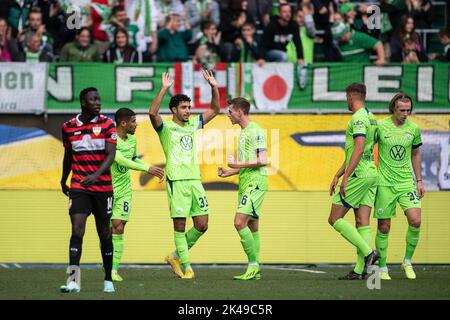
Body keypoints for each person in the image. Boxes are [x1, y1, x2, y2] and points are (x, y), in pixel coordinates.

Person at [149, 70, 219, 279]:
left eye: (189, 107)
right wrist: (163, 89)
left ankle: (174, 256)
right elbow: (153, 113)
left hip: (194, 180)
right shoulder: (166, 128)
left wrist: (214, 86)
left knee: (202, 224)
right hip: (176, 180)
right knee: (180, 225)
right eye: (184, 108)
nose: (188, 111)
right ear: (174, 110)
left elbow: (215, 109)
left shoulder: (192, 125)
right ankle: (187, 267)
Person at [60, 87, 117, 293]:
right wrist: (63, 179)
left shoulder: (108, 124)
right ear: (83, 102)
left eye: (99, 99)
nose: (98, 102)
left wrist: (95, 175)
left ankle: (108, 279)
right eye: (93, 99)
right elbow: (68, 156)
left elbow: (110, 155)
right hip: (79, 186)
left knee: (104, 232)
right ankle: (73, 280)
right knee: (77, 230)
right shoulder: (68, 127)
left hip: (102, 187)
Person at [327, 83, 380, 280]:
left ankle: (368, 253)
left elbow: (358, 148)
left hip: (358, 174)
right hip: (370, 172)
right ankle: (360, 270)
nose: (346, 101)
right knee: (362, 222)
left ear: (351, 96)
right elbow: (359, 151)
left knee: (334, 218)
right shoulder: (371, 116)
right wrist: (338, 174)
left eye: (346, 97)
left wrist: (346, 177)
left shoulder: (357, 118)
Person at [110, 108, 165, 282]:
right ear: (123, 123)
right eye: (133, 121)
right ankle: (107, 260)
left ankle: (113, 270)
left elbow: (132, 159)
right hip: (107, 190)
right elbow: (119, 159)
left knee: (119, 226)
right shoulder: (111, 139)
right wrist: (148, 168)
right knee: (106, 230)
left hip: (124, 190)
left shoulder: (132, 140)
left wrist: (150, 166)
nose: (137, 124)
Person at [374, 93, 424, 280]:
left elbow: (416, 154)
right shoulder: (380, 126)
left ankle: (407, 262)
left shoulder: (414, 128)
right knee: (384, 226)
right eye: (402, 110)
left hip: (406, 183)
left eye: (408, 110)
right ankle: (383, 267)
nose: (405, 114)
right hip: (384, 183)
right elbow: (367, 149)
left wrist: (419, 180)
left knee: (415, 220)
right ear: (393, 108)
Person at [218, 97, 268, 280]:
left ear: (240, 112)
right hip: (246, 181)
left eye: (230, 111)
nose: (227, 114)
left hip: (256, 183)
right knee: (253, 226)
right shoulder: (243, 132)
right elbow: (247, 165)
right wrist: (229, 172)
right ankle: (256, 270)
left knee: (239, 222)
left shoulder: (256, 131)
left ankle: (253, 265)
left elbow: (263, 160)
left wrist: (237, 164)